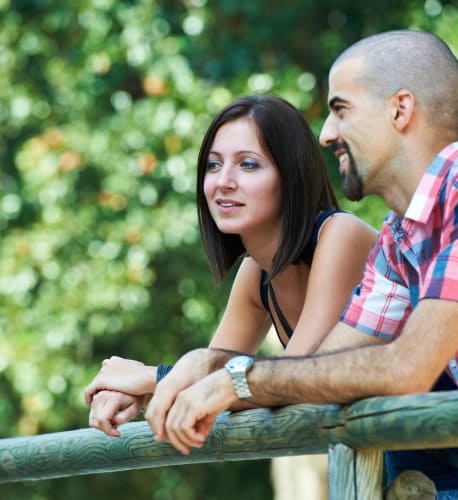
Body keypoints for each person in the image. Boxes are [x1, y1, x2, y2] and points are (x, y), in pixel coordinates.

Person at [142, 30, 458, 500]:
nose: (326, 134)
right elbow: (320, 370)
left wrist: (238, 381)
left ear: (400, 110)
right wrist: (206, 366)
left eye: (340, 110)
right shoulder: (398, 243)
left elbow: (406, 368)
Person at [83, 95, 377, 435]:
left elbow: (290, 379)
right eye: (213, 165)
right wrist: (134, 392)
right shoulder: (257, 274)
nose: (223, 181)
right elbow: (211, 390)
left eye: (248, 164)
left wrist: (150, 377)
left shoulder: (340, 235)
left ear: (291, 176)